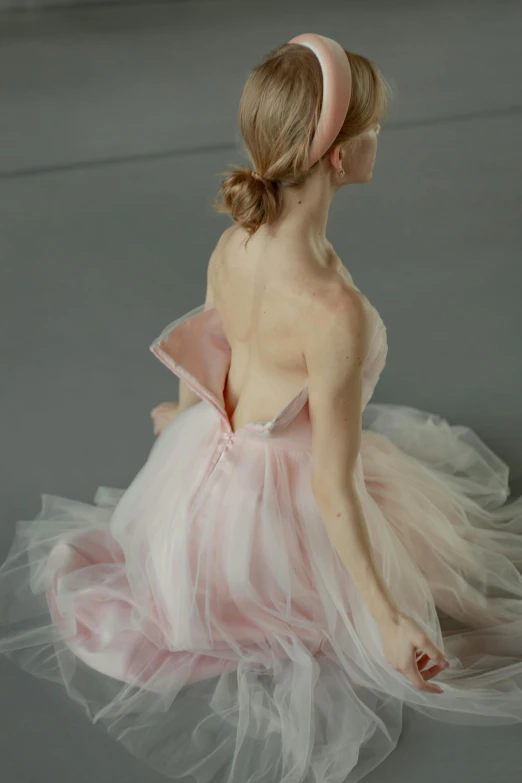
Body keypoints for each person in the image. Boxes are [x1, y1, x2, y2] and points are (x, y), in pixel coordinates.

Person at [1, 32, 522, 783]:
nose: (381, 136)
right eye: (371, 126)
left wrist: (183, 414)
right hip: (283, 503)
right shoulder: (331, 312)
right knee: (434, 570)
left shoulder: (236, 242)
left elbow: (209, 331)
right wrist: (383, 615)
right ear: (338, 156)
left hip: (213, 459)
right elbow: (332, 489)